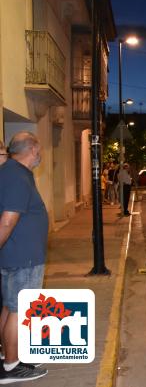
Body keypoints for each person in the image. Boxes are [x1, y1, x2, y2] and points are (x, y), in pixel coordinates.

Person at [0, 131, 49, 383]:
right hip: (24, 258)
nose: (40, 153)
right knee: (19, 310)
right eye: (38, 148)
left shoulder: (12, 172)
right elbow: (7, 221)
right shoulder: (17, 176)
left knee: (10, 307)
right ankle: (11, 366)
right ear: (31, 149)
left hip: (17, 255)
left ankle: (11, 356)